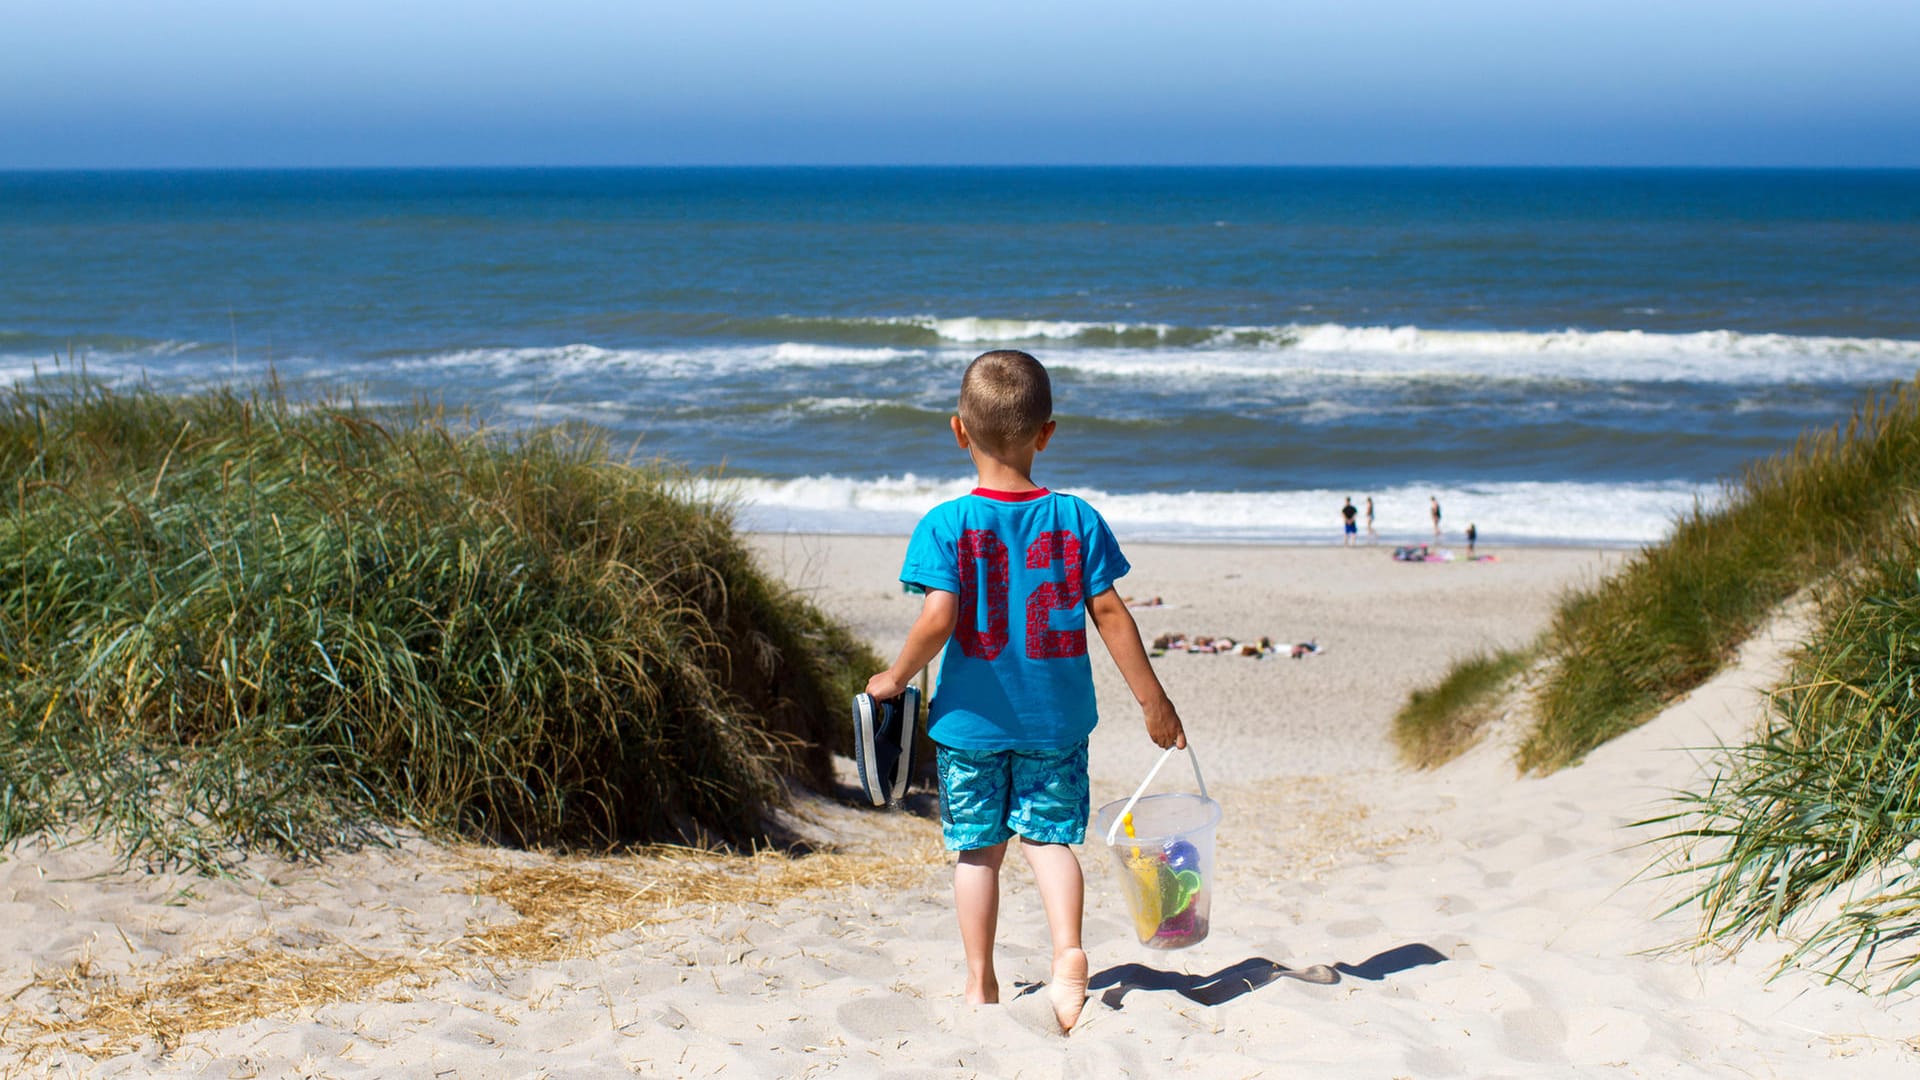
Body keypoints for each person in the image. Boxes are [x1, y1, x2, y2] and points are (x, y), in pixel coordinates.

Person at [864, 349, 1186, 1035]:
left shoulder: (946, 525)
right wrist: (1153, 701)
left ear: (958, 431)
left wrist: (894, 678)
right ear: (1047, 432)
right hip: (1057, 721)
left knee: (977, 852)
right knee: (1049, 843)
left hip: (971, 727)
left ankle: (980, 980)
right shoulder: (1076, 519)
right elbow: (1110, 614)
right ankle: (1069, 953)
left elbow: (938, 617)